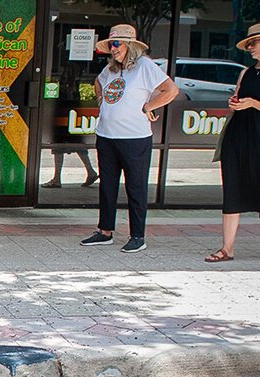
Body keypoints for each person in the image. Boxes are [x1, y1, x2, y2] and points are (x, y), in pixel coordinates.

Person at [79, 24, 178, 253]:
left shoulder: (144, 66)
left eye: (116, 44)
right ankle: (105, 232)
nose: (112, 49)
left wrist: (149, 106)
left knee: (135, 187)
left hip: (134, 138)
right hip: (106, 136)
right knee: (107, 186)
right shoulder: (111, 69)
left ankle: (137, 236)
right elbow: (97, 83)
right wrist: (101, 102)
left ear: (130, 45)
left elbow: (171, 90)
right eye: (111, 45)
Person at [206, 23, 260, 264]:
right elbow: (237, 99)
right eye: (249, 43)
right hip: (238, 135)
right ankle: (227, 248)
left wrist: (254, 103)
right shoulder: (246, 72)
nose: (250, 47)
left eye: (254, 42)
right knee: (232, 189)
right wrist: (235, 103)